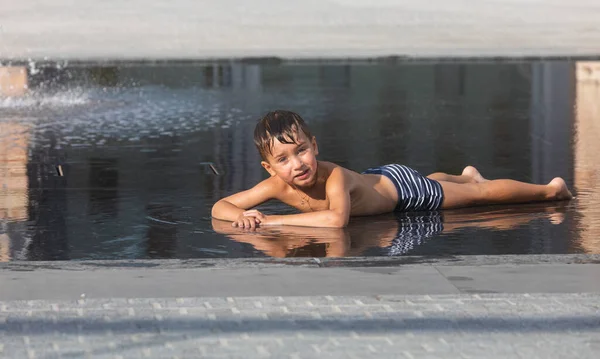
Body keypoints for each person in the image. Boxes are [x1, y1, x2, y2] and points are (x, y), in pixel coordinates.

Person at [211, 110, 573, 229]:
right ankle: (464, 174)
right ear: (269, 166)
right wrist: (240, 214)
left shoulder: (334, 175)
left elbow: (337, 220)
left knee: (475, 199)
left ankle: (549, 189)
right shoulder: (276, 185)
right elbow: (219, 207)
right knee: (442, 183)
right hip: (380, 179)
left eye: (301, 150)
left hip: (402, 192)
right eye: (284, 159)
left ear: (315, 146)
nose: (297, 164)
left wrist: (267, 221)